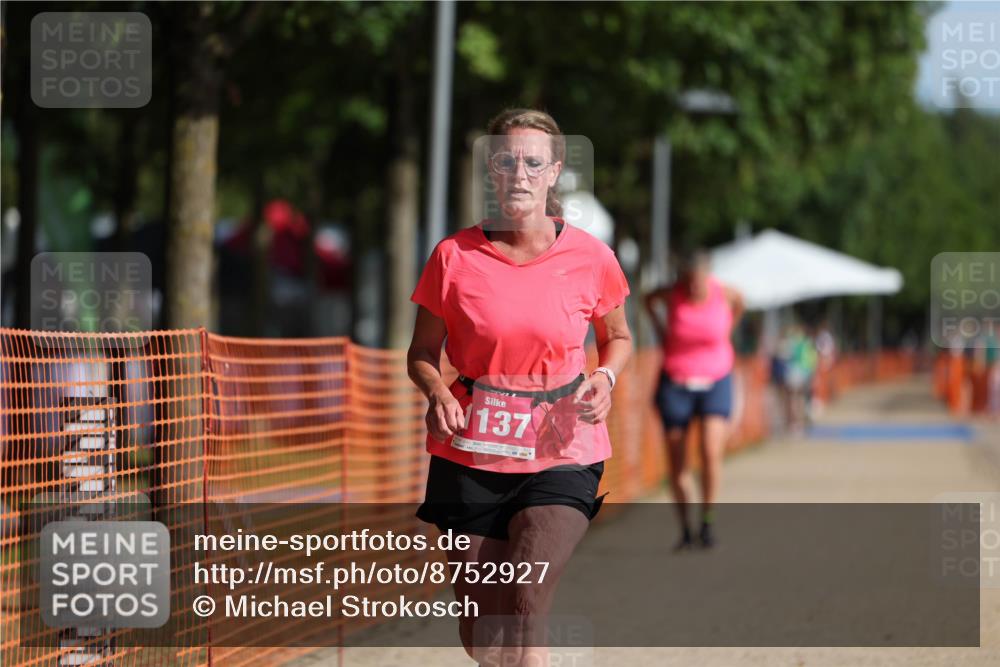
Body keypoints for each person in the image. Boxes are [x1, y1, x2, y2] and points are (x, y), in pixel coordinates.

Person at [407, 108, 632, 665]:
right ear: (492, 170)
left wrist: (605, 376)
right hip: (472, 449)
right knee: (485, 633)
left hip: (562, 447)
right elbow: (420, 354)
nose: (520, 174)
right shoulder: (452, 257)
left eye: (534, 163)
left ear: (555, 172)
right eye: (507, 161)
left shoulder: (591, 258)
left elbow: (619, 337)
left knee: (528, 595)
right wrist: (435, 391)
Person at [644, 251, 743, 550]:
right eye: (691, 281)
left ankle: (708, 520)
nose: (696, 287)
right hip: (677, 379)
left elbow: (741, 302)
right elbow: (648, 299)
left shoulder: (724, 293)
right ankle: (685, 528)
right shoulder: (672, 294)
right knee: (677, 461)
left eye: (701, 280)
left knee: (711, 451)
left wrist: (727, 328)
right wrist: (661, 331)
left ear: (709, 276)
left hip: (716, 377)